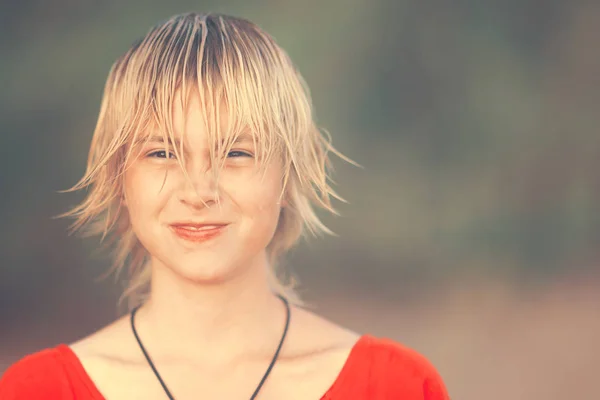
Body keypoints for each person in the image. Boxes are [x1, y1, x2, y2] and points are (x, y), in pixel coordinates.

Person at [0, 12, 449, 400]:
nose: (199, 191)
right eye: (162, 153)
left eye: (237, 153)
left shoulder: (395, 385)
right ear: (120, 177)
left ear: (288, 174)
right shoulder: (36, 390)